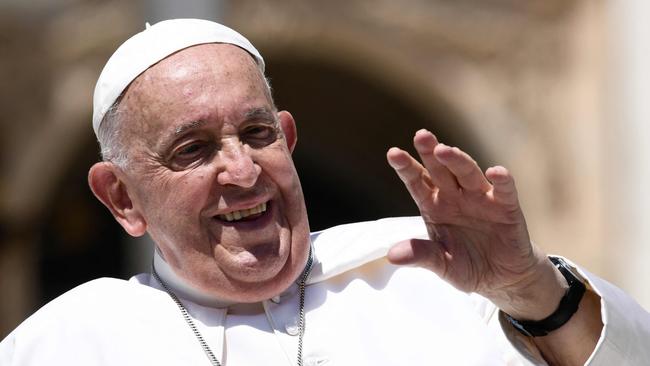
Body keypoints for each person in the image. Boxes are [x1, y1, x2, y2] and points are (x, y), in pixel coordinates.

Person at [1, 18, 649, 365]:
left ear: (287, 136)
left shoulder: (434, 275)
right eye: (193, 150)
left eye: (257, 133)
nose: (243, 171)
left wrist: (528, 289)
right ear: (122, 198)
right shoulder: (66, 345)